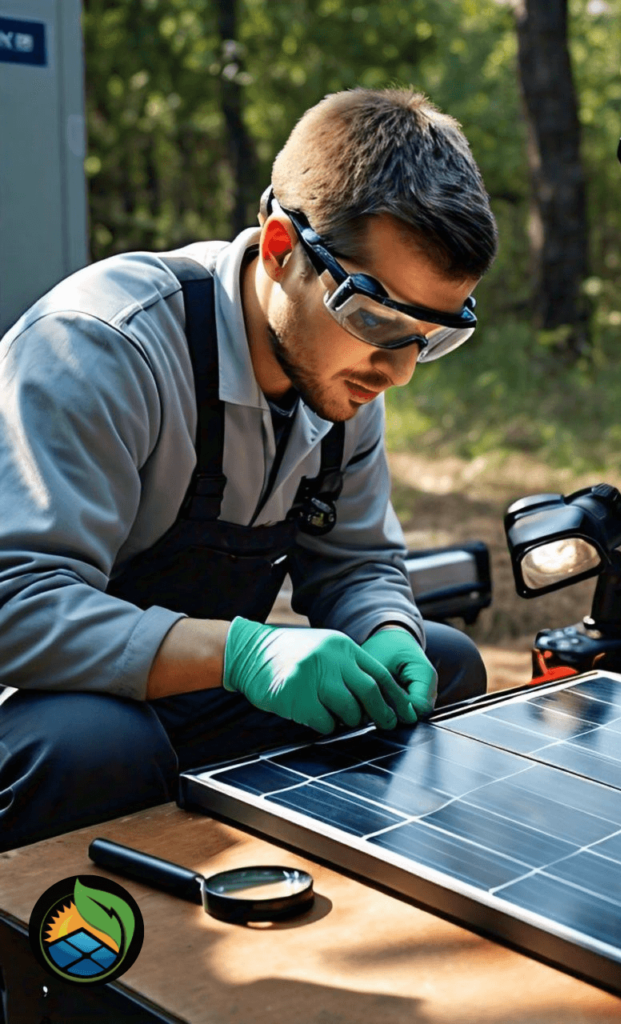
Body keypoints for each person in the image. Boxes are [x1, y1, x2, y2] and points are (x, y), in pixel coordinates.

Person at [0, 88, 498, 851]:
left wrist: (387, 627)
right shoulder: (101, 348)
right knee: (100, 745)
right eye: (375, 319)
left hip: (189, 696)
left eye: (430, 338)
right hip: (44, 706)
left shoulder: (345, 381)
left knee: (443, 665)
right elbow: (16, 605)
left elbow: (357, 565)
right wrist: (242, 652)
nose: (399, 373)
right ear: (278, 249)